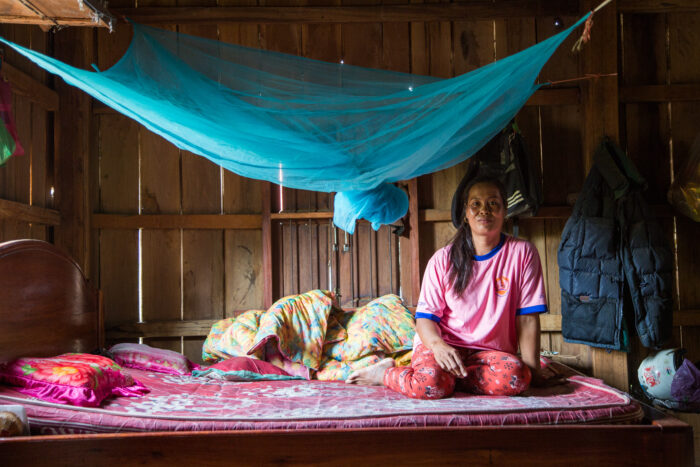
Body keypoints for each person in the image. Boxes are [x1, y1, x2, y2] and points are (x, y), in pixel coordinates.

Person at [346, 175, 565, 399]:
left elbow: (527, 318)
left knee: (517, 378)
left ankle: (450, 380)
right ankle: (386, 374)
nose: (484, 210)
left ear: (505, 210)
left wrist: (533, 372)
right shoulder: (443, 260)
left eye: (493, 203)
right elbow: (425, 319)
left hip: (488, 355)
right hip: (444, 346)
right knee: (429, 385)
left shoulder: (522, 253)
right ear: (466, 213)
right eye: (476, 204)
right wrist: (437, 346)